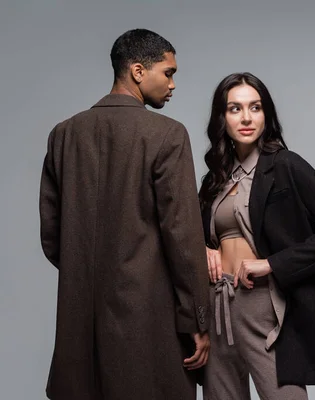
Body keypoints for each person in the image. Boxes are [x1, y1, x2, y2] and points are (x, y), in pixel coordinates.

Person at [39, 28, 210, 400]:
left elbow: (52, 236)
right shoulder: (167, 134)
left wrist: (86, 272)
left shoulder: (63, 134)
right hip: (148, 320)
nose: (173, 84)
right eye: (168, 73)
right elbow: (182, 236)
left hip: (79, 317)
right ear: (137, 71)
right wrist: (197, 318)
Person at [198, 72, 315, 399]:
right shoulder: (213, 180)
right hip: (217, 306)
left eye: (255, 108)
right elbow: (197, 237)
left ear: (266, 114)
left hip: (264, 304)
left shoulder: (286, 166)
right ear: (221, 118)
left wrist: (272, 264)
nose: (246, 117)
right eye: (235, 108)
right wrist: (202, 249)